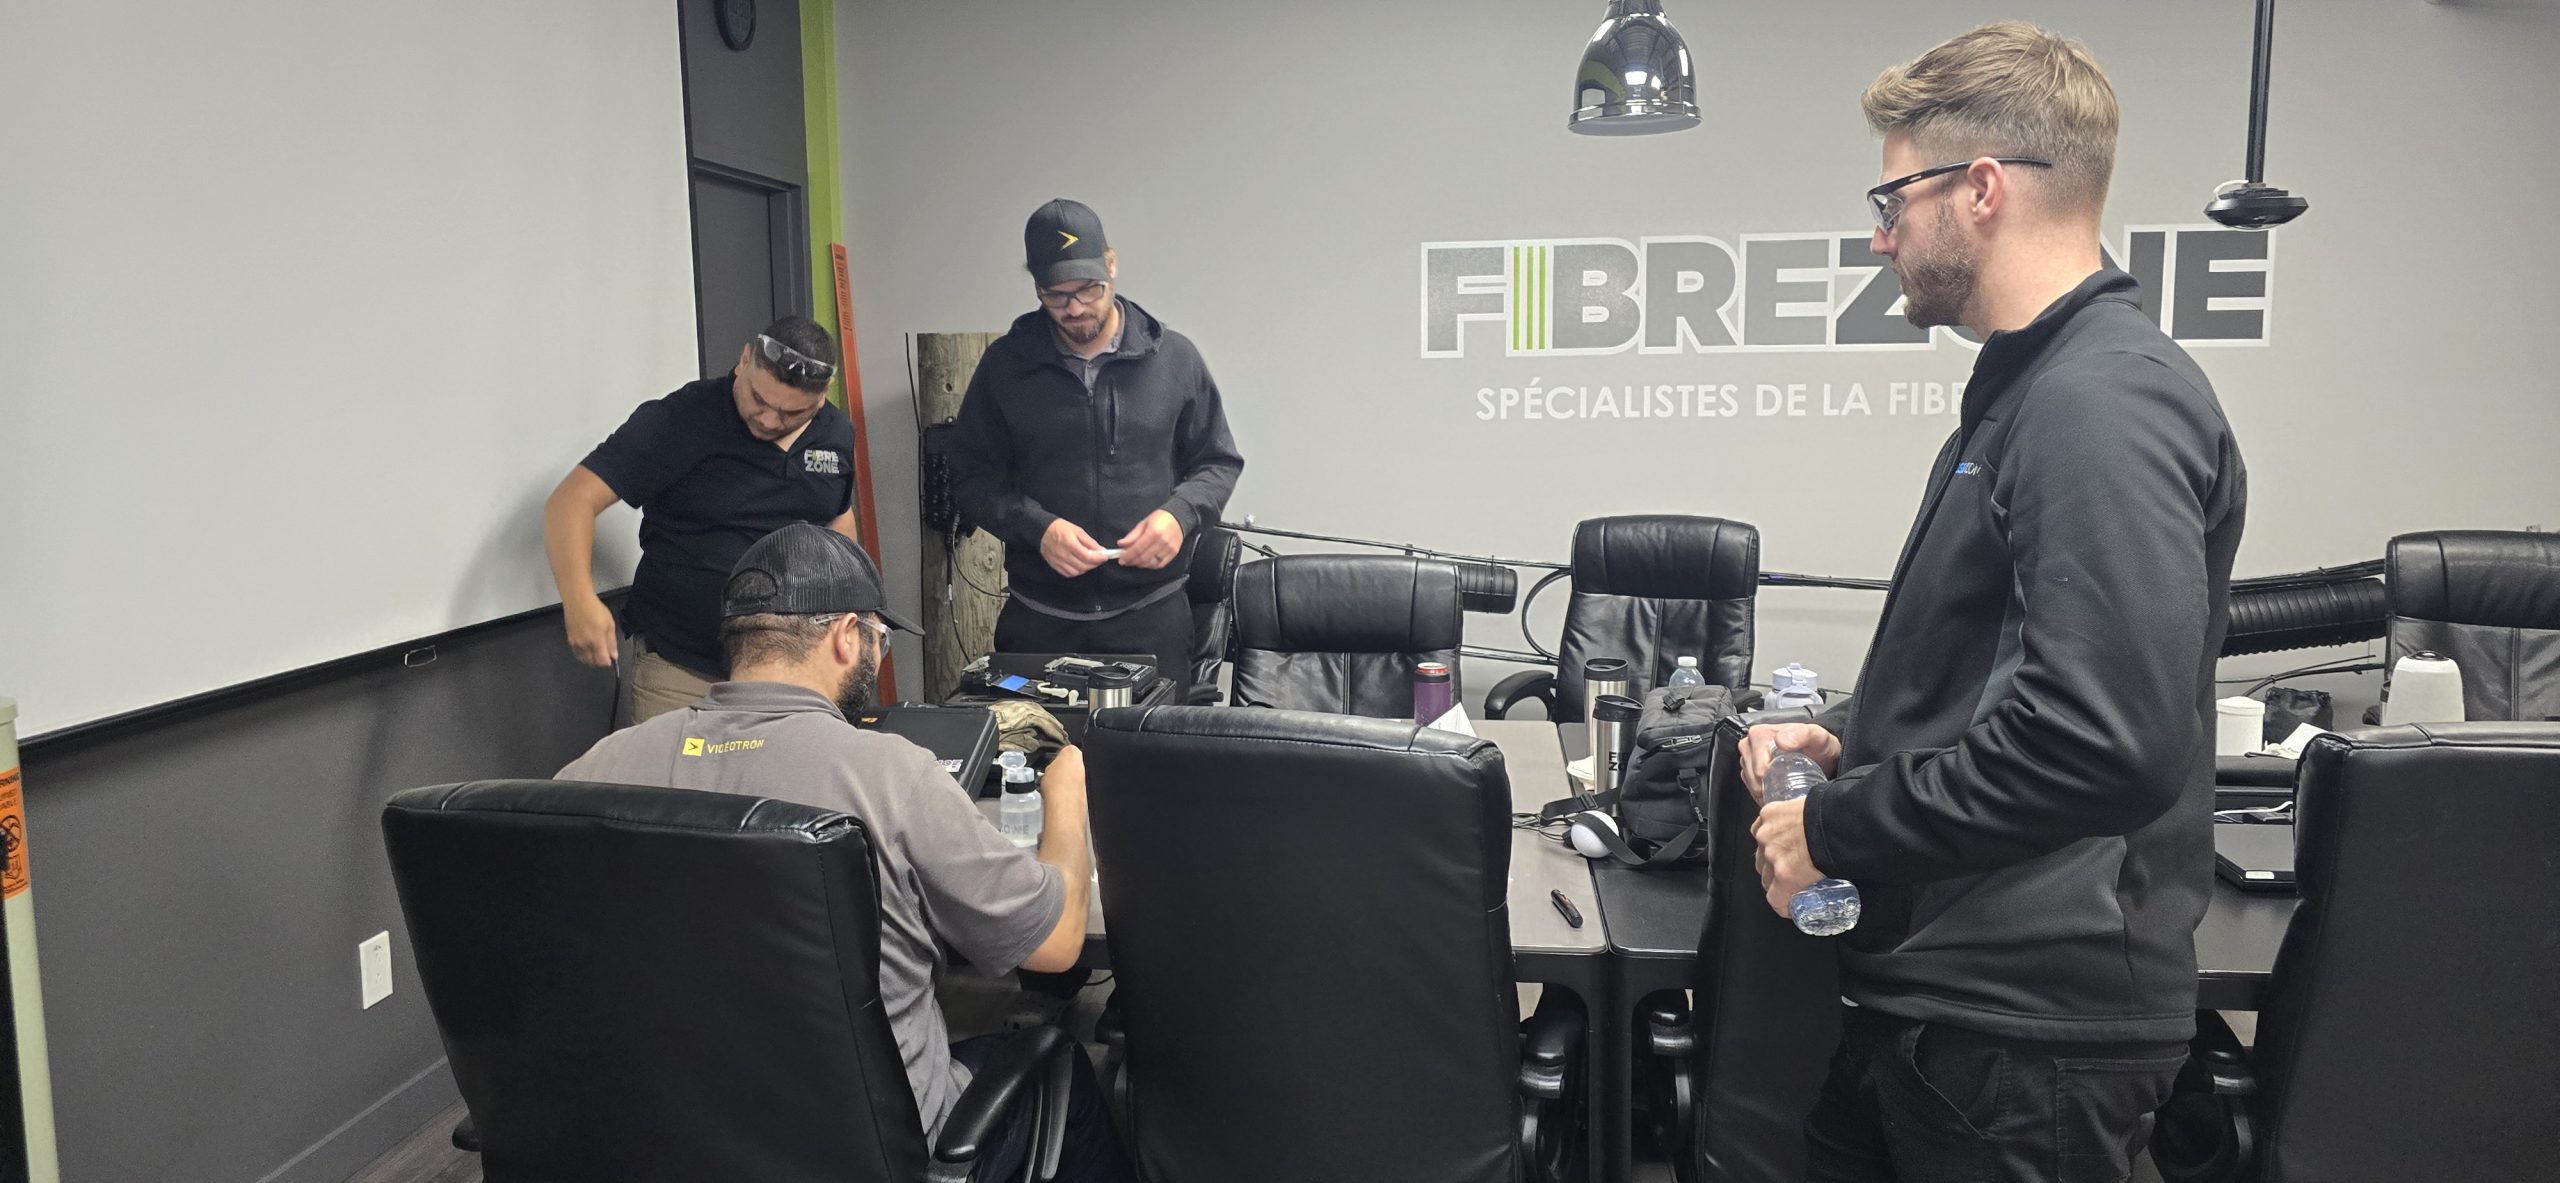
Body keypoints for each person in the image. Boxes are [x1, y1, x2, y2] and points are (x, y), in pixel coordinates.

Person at [1738, 23, 2248, 1183]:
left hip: (2024, 1031)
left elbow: (2098, 742)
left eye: (1892, 198)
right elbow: (2010, 669)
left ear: (1978, 189)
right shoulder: (2036, 388)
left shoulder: (2097, 401)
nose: (1880, 235)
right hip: (1945, 1004)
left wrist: (1832, 827)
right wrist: (1855, 739)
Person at [556, 523, 1131, 1182]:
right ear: (846, 635)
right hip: (869, 1155)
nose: (878, 655)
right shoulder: (890, 773)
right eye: (880, 639)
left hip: (665, 1138)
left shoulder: (593, 770)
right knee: (1063, 1066)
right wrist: (1067, 790)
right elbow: (1055, 946)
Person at [945, 198, 1244, 703]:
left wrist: (1179, 516)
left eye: (1088, 289)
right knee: (1035, 749)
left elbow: (1218, 462)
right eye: (1056, 295)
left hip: (1151, 618)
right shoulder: (1005, 367)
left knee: (1152, 753)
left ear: (1111, 264)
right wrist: (1038, 529)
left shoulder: (1175, 359)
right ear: (1035, 285)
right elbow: (971, 477)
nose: (1075, 308)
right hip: (1039, 619)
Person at [544, 316, 864, 723]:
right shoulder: (681, 418)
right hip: (683, 666)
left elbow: (837, 520)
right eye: (758, 399)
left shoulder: (836, 434)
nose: (768, 420)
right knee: (677, 766)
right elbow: (571, 500)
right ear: (744, 360)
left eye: (790, 413)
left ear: (821, 399)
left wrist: (847, 609)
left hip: (790, 668)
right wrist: (579, 600)